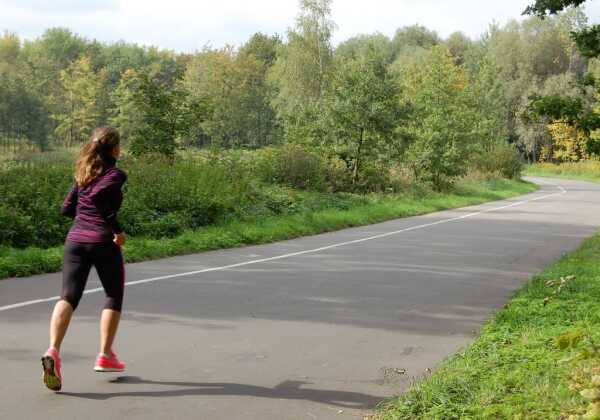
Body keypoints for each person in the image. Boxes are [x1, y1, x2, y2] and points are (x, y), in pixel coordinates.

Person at [41, 126, 128, 392]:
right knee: (113, 294)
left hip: (75, 241)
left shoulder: (84, 173)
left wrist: (84, 220)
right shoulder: (115, 174)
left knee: (68, 296)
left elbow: (67, 208)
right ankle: (105, 355)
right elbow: (102, 198)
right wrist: (115, 230)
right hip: (102, 241)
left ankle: (53, 350)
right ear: (114, 149)